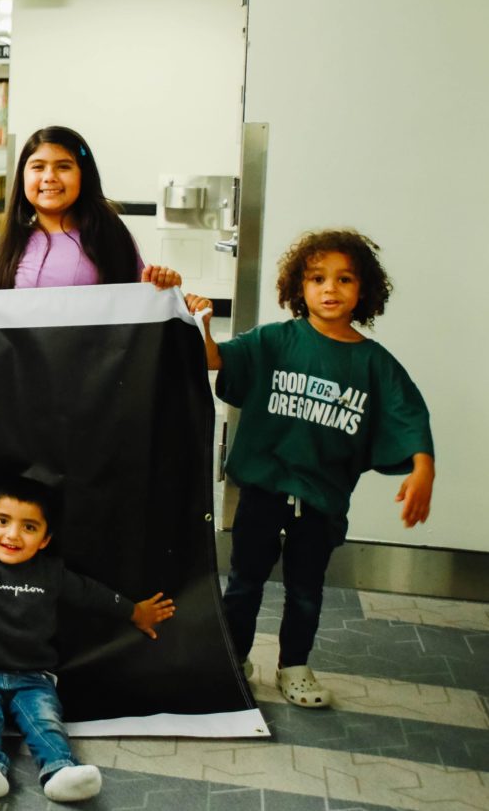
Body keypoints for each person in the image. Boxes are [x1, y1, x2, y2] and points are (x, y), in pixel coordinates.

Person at [186, 229, 434, 709]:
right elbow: (216, 360)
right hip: (263, 489)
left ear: (364, 290)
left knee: (306, 590)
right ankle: (233, 659)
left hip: (322, 498)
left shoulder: (374, 363)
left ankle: (294, 666)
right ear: (299, 286)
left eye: (344, 279)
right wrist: (204, 326)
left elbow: (407, 415)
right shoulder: (273, 341)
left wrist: (423, 467)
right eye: (318, 278)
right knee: (244, 582)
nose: (330, 288)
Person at [0, 443, 175, 801]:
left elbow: (93, 595)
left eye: (29, 527)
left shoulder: (51, 572)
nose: (13, 535)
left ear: (45, 539)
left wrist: (135, 612)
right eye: (2, 521)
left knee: (46, 722)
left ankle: (60, 772)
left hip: (33, 678)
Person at [0, 126, 180, 290]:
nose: (49, 177)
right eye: (38, 167)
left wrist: (162, 287)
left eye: (63, 167)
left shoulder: (110, 235)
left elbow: (139, 303)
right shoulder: (12, 242)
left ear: (83, 176)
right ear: (23, 176)